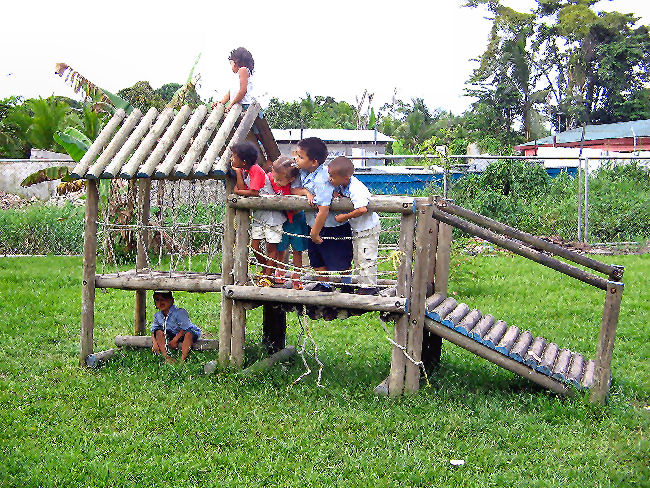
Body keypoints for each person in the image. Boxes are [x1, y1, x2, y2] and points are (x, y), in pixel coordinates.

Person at [291, 137, 352, 292]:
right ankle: (324, 285)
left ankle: (348, 285)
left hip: (332, 225)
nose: (296, 159)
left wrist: (314, 233)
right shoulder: (302, 172)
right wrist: (306, 192)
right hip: (314, 222)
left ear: (314, 162)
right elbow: (294, 189)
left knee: (340, 258)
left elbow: (324, 209)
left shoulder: (323, 178)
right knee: (316, 258)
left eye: (300, 157)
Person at [231, 141, 285, 284]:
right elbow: (244, 189)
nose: (231, 159)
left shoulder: (256, 170)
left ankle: (268, 275)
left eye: (234, 156)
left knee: (270, 247)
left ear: (243, 161)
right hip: (260, 216)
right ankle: (266, 270)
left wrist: (237, 191)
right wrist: (238, 174)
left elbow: (254, 192)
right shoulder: (247, 171)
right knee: (254, 246)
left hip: (272, 216)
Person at [328, 157, 381, 295]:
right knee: (358, 257)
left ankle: (369, 287)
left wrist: (343, 217)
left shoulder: (355, 188)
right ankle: (363, 283)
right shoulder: (343, 185)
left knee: (366, 256)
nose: (330, 179)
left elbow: (362, 209)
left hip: (367, 228)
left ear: (345, 177)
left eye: (333, 176)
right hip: (358, 228)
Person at [268, 156, 307, 289]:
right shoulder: (273, 180)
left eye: (279, 179)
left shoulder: (295, 186)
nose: (275, 181)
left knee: (297, 249)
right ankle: (280, 271)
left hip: (296, 220)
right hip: (282, 220)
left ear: (291, 179)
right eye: (274, 177)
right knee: (281, 247)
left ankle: (297, 275)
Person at [151, 291, 202, 363]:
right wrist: (154, 343)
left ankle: (182, 359)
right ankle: (166, 357)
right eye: (157, 300)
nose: (160, 302)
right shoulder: (158, 316)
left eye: (164, 299)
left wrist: (175, 340)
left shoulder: (179, 312)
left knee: (189, 334)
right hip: (172, 333)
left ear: (171, 300)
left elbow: (185, 328)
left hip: (185, 332)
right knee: (158, 332)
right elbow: (153, 331)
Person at [216, 47, 255, 112]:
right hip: (237, 105)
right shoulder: (237, 76)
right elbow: (229, 94)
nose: (231, 67)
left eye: (231, 63)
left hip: (243, 105)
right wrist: (220, 103)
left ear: (236, 62)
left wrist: (231, 104)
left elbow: (243, 91)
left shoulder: (243, 70)